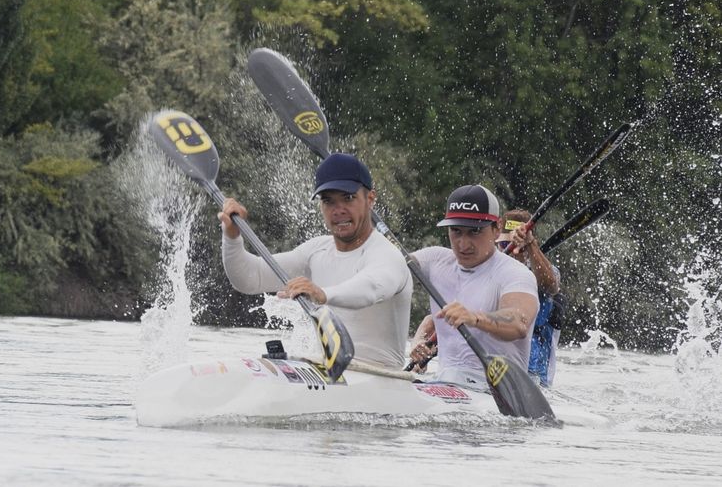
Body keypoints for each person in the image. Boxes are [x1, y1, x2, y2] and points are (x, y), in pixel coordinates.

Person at [218, 153, 413, 369]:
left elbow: (371, 288)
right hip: (328, 374)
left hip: (383, 380)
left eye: (348, 198)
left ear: (370, 199)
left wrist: (322, 294)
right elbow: (248, 278)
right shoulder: (315, 251)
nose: (338, 210)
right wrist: (232, 236)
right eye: (328, 201)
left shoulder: (387, 255)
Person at [408, 185, 539, 388]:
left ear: (497, 228)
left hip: (496, 390)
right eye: (456, 231)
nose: (463, 244)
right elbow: (385, 273)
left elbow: (518, 322)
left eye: (475, 231)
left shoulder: (516, 274)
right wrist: (417, 342)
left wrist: (475, 317)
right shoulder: (434, 259)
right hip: (445, 381)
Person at [496, 209, 563, 387]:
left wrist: (530, 244)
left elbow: (551, 286)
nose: (513, 251)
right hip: (496, 367)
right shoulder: (488, 270)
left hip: (534, 376)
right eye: (505, 245)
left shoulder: (546, 272)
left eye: (520, 247)